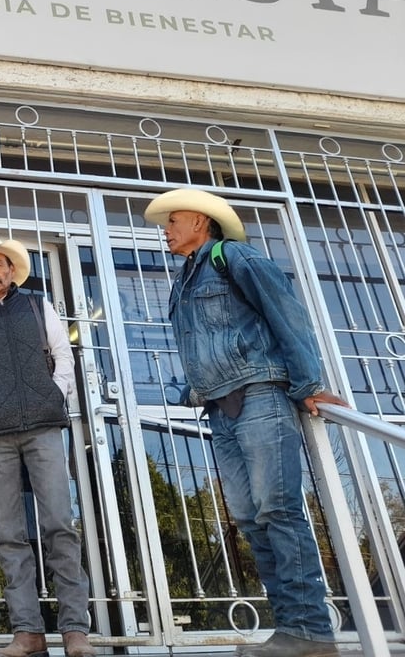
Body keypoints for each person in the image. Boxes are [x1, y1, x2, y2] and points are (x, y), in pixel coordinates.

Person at [144, 188, 348, 657]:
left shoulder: (234, 257)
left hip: (261, 395)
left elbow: (287, 314)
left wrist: (308, 383)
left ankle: (312, 631)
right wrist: (189, 391)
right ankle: (290, 630)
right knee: (251, 518)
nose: (167, 231)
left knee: (277, 508)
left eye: (173, 221)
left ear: (201, 222)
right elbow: (205, 345)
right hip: (219, 406)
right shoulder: (184, 280)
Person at [0, 236, 94, 657]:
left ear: (12, 269)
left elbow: (64, 354)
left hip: (44, 426)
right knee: (9, 535)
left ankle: (74, 631)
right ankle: (27, 632)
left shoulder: (37, 305)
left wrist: (57, 392)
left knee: (59, 529)